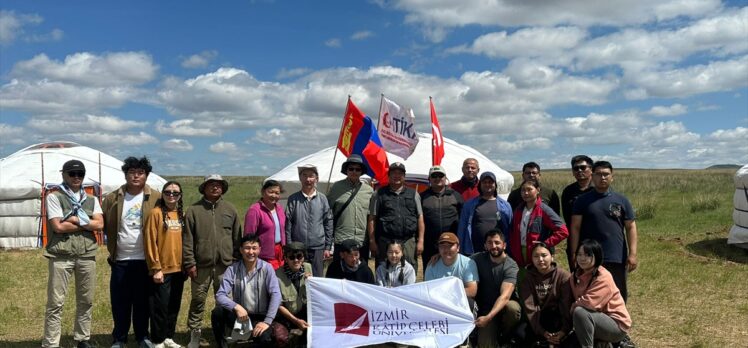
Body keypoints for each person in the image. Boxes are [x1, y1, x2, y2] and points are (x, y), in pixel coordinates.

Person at [42, 160, 104, 348]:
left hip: (86, 254)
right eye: (72, 174)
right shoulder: (54, 197)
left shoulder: (92, 199)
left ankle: (82, 339)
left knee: (86, 299)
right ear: (64, 175)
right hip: (62, 254)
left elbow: (100, 224)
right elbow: (58, 226)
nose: (76, 177)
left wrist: (75, 219)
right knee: (56, 302)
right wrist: (86, 222)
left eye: (80, 174)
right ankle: (51, 343)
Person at [102, 156, 161, 348]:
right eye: (132, 172)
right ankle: (119, 338)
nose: (136, 176)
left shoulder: (156, 197)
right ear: (126, 174)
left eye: (140, 172)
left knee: (142, 301)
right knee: (120, 302)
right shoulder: (112, 198)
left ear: (146, 175)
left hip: (145, 259)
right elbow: (105, 224)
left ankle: (142, 336)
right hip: (120, 258)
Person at [183, 174, 243, 348]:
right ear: (204, 187)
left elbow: (237, 237)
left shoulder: (230, 210)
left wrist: (235, 261)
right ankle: (195, 332)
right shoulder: (194, 210)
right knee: (198, 300)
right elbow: (187, 239)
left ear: (223, 188)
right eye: (211, 184)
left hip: (225, 265)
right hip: (201, 265)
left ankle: (222, 332)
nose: (215, 187)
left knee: (224, 301)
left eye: (218, 185)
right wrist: (190, 263)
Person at [570, 161, 638, 302]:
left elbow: (630, 227)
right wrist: (574, 252)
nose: (602, 178)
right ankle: (592, 321)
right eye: (598, 174)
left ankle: (618, 322)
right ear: (592, 176)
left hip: (616, 255)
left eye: (606, 174)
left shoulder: (622, 200)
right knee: (590, 292)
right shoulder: (582, 201)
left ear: (612, 177)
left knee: (617, 291)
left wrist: (632, 254)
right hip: (590, 255)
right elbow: (575, 227)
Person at [212, 234, 282, 348]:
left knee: (266, 340)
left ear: (259, 249)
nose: (250, 252)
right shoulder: (232, 269)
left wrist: (267, 321)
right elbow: (220, 295)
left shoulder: (267, 268)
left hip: (261, 317)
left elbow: (276, 295)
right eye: (247, 248)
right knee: (217, 312)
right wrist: (236, 307)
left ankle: (248, 338)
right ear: (241, 250)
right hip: (241, 315)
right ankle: (223, 345)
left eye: (254, 248)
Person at [144, 181, 186, 348]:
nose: (171, 195)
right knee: (159, 307)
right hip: (162, 269)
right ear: (163, 194)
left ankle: (169, 336)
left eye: (175, 193)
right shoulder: (155, 213)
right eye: (168, 192)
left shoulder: (182, 214)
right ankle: (157, 339)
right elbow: (149, 241)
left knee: (173, 305)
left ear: (180, 196)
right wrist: (155, 268)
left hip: (179, 268)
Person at [571, 239, 631, 348]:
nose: (582, 258)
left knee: (579, 312)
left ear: (597, 256)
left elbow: (589, 303)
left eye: (588, 255)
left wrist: (573, 306)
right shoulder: (574, 276)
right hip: (595, 319)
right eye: (579, 254)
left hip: (616, 324)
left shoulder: (603, 276)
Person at [368, 162, 425, 271]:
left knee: (409, 271)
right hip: (385, 241)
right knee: (383, 271)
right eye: (394, 173)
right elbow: (372, 219)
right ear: (388, 176)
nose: (397, 176)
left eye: (400, 173)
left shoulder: (414, 194)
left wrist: (421, 241)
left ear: (404, 176)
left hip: (408, 241)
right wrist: (372, 241)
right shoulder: (379, 194)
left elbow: (420, 218)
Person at [470, 230, 522, 348]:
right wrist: (440, 255)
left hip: (504, 309)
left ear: (504, 245)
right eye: (490, 243)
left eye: (497, 242)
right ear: (485, 245)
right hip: (485, 310)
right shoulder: (477, 258)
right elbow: (458, 260)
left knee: (512, 309)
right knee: (485, 345)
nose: (494, 246)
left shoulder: (511, 265)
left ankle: (507, 337)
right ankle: (493, 337)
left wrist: (488, 318)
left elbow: (505, 296)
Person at [519, 242, 572, 348]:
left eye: (544, 255)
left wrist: (564, 330)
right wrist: (542, 332)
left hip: (557, 319)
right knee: (519, 336)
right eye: (536, 256)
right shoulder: (528, 278)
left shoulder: (563, 276)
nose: (540, 259)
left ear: (552, 257)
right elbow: (530, 308)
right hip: (537, 319)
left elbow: (566, 305)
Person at [508, 179, 568, 269]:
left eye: (529, 189)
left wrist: (545, 243)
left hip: (537, 255)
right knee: (522, 281)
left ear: (538, 190)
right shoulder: (519, 210)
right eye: (523, 190)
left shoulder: (544, 210)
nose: (526, 193)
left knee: (537, 281)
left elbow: (563, 231)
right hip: (519, 255)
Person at [285, 164, 333, 276]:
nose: (308, 179)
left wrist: (328, 246)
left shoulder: (322, 199)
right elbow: (288, 224)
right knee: (298, 277)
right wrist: (289, 246)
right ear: (300, 178)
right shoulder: (293, 199)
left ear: (316, 178)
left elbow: (328, 222)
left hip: (318, 247)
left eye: (311, 176)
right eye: (304, 175)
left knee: (317, 279)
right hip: (298, 247)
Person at [327, 154, 373, 264]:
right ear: (346, 170)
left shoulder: (369, 191)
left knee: (360, 276)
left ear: (361, 172)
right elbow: (327, 213)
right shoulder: (336, 188)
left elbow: (371, 217)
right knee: (339, 274)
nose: (354, 171)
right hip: (342, 240)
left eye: (358, 169)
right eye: (351, 168)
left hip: (361, 241)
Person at [457, 171, 512, 255]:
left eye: (490, 182)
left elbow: (510, 228)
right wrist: (460, 249)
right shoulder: (469, 204)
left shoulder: (505, 205)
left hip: (497, 250)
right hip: (475, 249)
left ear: (495, 185)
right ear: (480, 185)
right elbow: (462, 227)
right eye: (484, 182)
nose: (487, 184)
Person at [420, 165, 464, 268]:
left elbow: (463, 219)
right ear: (429, 179)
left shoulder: (456, 195)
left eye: (440, 175)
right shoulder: (422, 197)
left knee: (451, 271)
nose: (437, 178)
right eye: (434, 176)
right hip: (429, 243)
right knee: (430, 270)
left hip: (451, 242)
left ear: (445, 178)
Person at [274, 242, 312, 348]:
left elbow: (316, 295)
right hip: (285, 316)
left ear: (303, 258)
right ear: (285, 258)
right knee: (280, 337)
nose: (296, 260)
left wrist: (311, 283)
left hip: (304, 313)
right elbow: (279, 305)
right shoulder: (277, 275)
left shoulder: (309, 268)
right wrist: (295, 321)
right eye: (292, 257)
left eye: (299, 256)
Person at [424, 232, 478, 301]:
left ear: (458, 248)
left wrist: (447, 293)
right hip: (438, 301)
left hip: (460, 301)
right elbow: (428, 290)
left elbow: (472, 291)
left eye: (450, 246)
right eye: (442, 246)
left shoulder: (468, 263)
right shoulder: (432, 264)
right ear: (438, 248)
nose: (446, 249)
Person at [246, 180, 287, 270]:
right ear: (263, 192)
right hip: (264, 255)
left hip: (280, 253)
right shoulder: (255, 210)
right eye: (271, 192)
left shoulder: (279, 208)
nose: (274, 195)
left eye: (277, 193)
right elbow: (249, 236)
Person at [561, 155, 594, 267]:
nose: (579, 170)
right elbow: (567, 217)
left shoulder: (598, 189)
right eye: (576, 168)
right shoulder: (568, 191)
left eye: (583, 167)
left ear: (591, 169)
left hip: (596, 238)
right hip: (575, 238)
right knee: (577, 273)